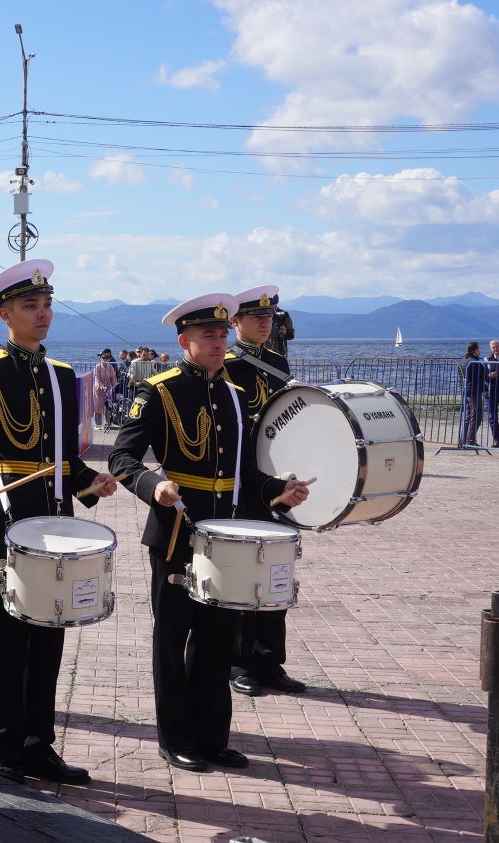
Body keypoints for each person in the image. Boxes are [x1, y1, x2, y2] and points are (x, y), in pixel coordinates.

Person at [0, 259, 118, 786]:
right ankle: (6, 746)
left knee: (49, 633)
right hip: (7, 521)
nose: (43, 314)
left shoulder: (60, 377)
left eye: (46, 305)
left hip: (56, 520)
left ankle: (40, 745)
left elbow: (64, 458)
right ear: (6, 314)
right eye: (30, 307)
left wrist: (90, 482)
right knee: (6, 635)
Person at [108, 292, 309, 773]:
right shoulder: (158, 390)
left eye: (222, 335)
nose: (219, 344)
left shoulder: (236, 397)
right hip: (178, 531)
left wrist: (280, 489)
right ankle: (176, 737)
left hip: (228, 535)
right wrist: (153, 485)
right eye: (208, 336)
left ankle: (213, 736)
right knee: (173, 638)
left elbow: (244, 472)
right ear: (184, 341)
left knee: (218, 638)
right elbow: (122, 458)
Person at [223, 285, 306, 697]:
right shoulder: (225, 364)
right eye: (255, 317)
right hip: (245, 479)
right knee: (245, 572)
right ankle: (240, 660)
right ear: (234, 322)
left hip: (278, 475)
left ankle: (270, 659)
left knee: (276, 570)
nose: (264, 323)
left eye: (268, 318)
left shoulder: (276, 361)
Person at [460, 341, 485, 447]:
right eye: (478, 349)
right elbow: (483, 376)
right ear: (475, 350)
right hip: (474, 391)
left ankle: (463, 440)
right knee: (476, 416)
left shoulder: (463, 361)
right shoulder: (474, 362)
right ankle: (471, 441)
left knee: (467, 416)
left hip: (466, 391)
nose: (479, 351)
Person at [92, 349, 118, 429]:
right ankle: (98, 425)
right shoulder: (97, 367)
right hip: (99, 390)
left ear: (109, 358)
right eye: (103, 357)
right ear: (101, 358)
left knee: (108, 407)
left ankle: (108, 423)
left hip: (109, 389)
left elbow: (113, 377)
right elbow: (97, 378)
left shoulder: (110, 366)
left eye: (107, 358)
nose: (105, 359)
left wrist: (114, 387)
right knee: (98, 407)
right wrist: (102, 386)